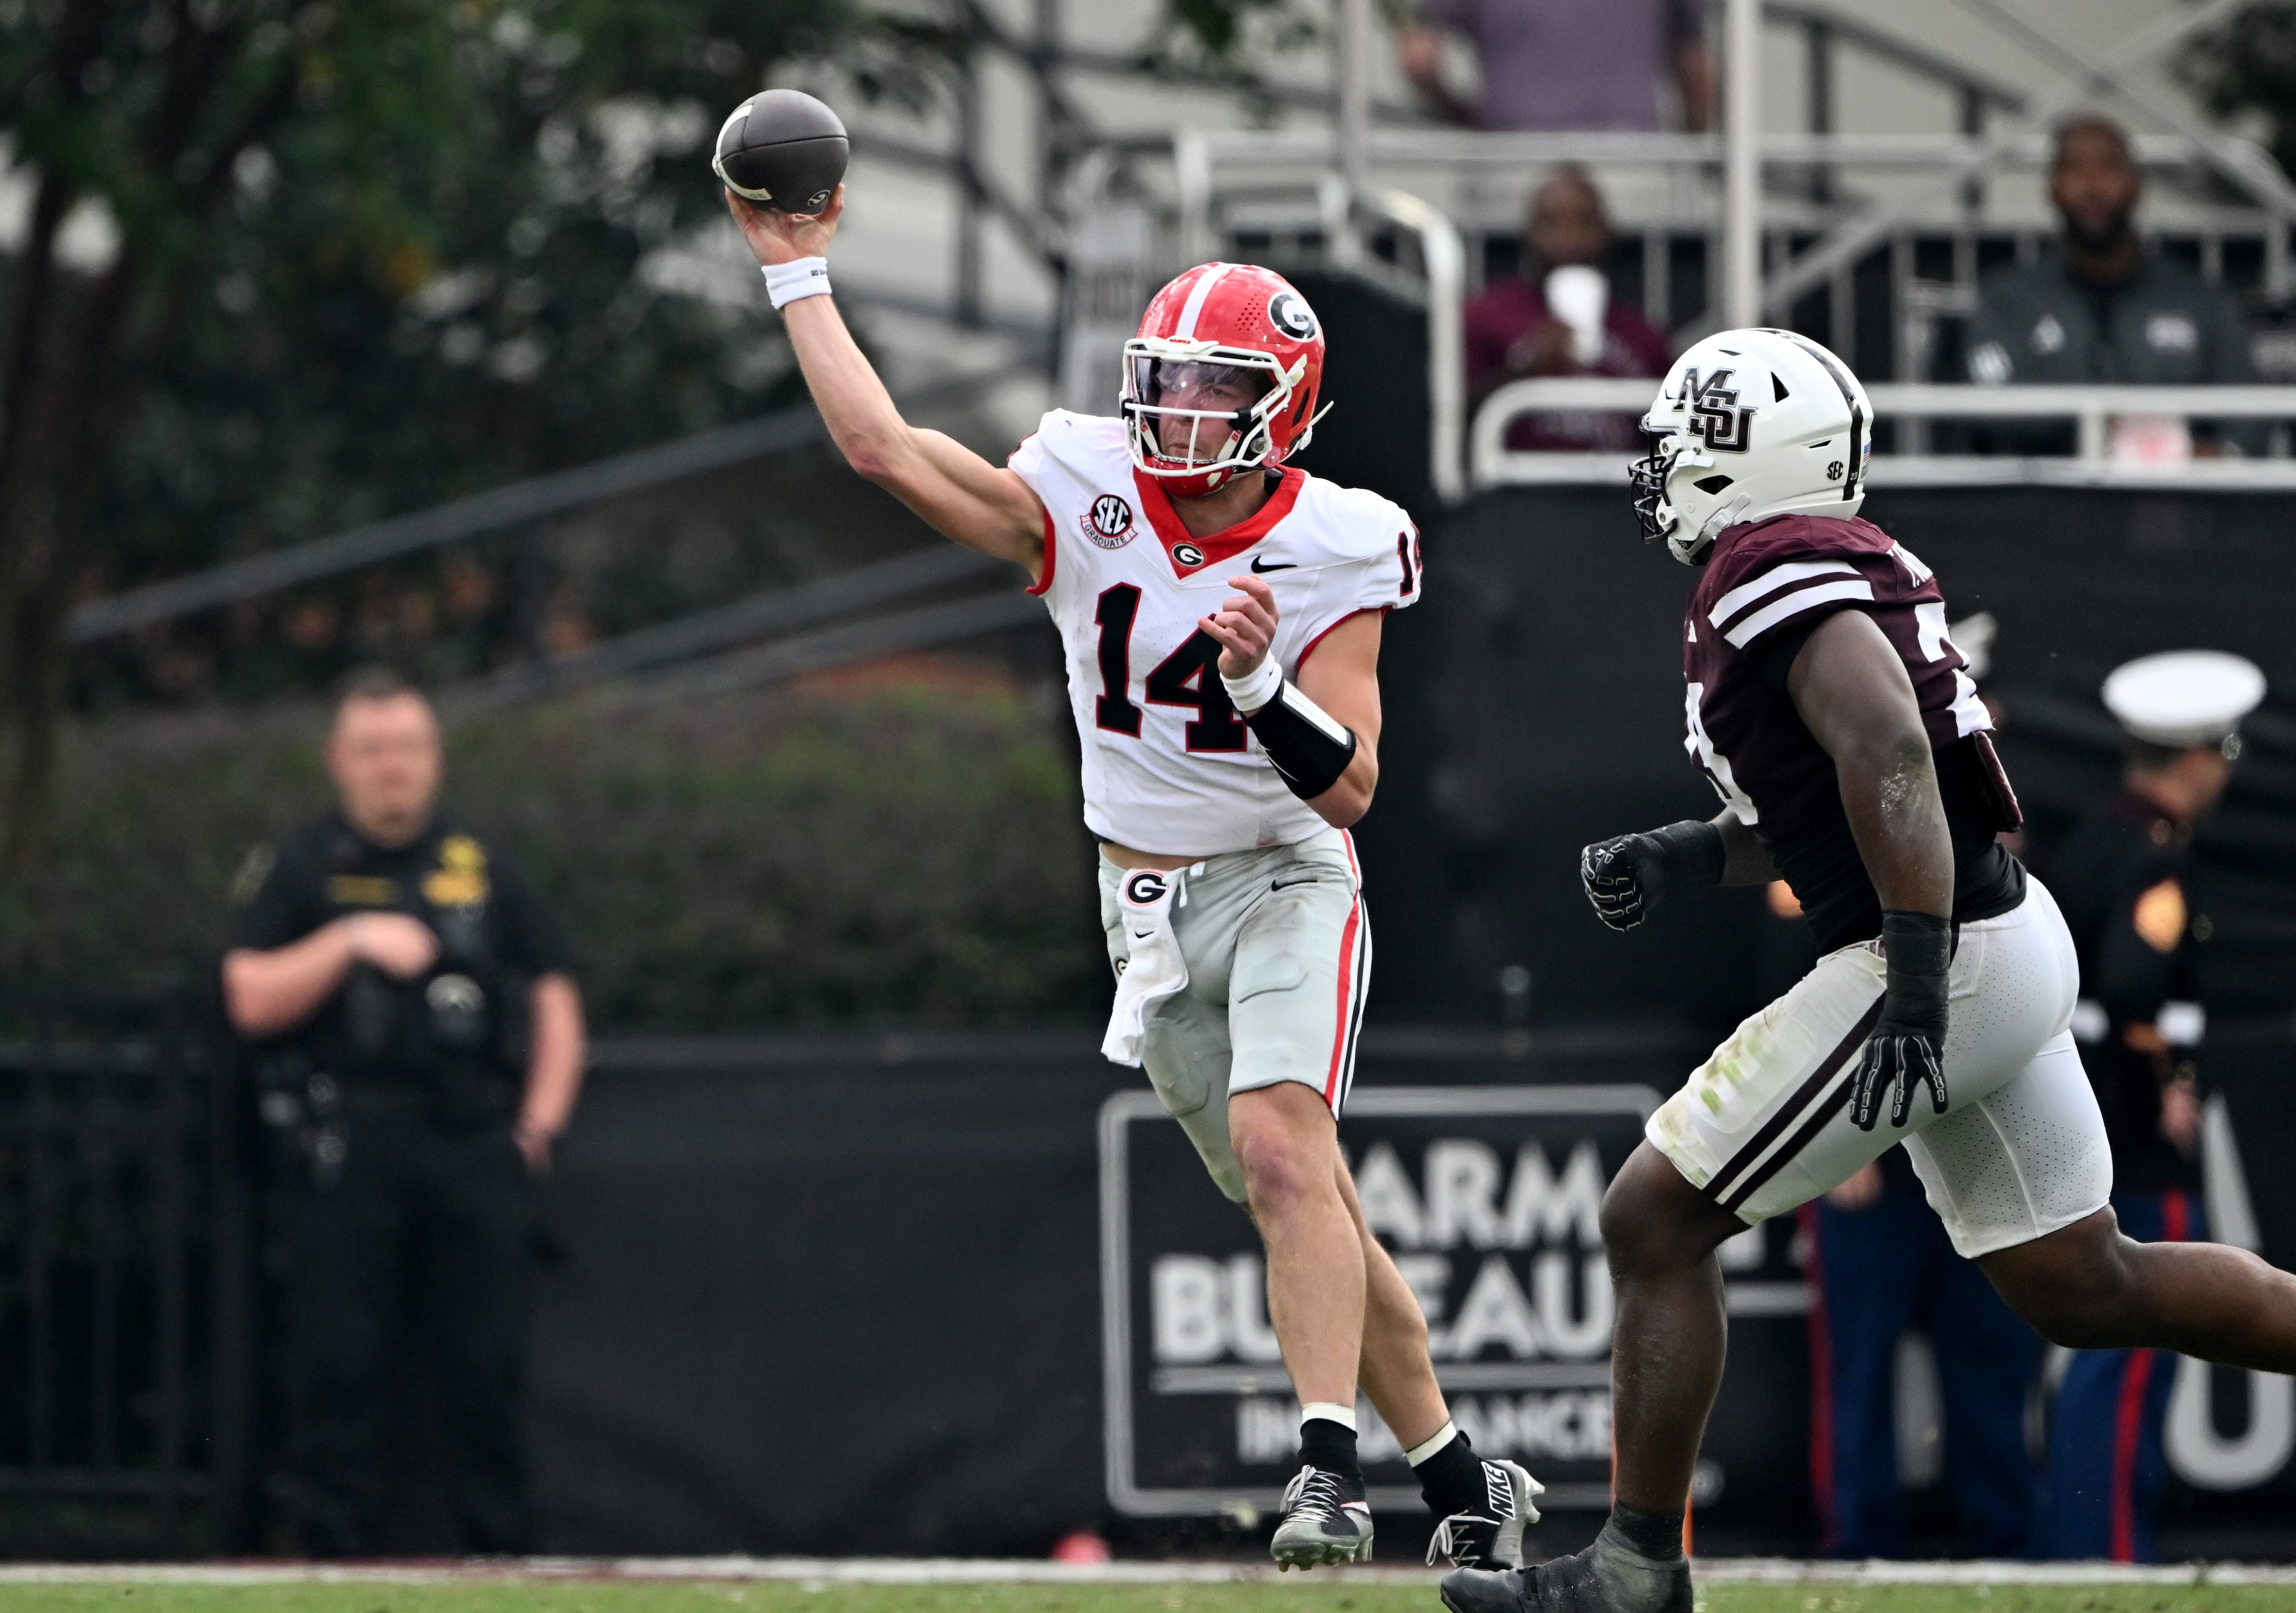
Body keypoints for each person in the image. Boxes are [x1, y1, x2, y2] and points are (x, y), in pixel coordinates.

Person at [726, 184, 1537, 1572]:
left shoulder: (1338, 537)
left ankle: (1326, 1474)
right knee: (1309, 1205)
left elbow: (1348, 787)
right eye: (1161, 383)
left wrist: (1260, 679)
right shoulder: (1081, 483)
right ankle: (1465, 1478)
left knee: (1289, 1155)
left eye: (1211, 389)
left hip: (1286, 876)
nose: (1172, 414)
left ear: (1282, 404)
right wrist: (796, 275)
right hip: (1146, 912)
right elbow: (883, 451)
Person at [1437, 330, 2296, 1613]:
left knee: (1652, 1217)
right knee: (2085, 1281)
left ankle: (1636, 1571)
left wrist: (1908, 970)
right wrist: (1691, 854)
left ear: (1748, 457)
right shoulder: (1836, 557)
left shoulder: (1765, 563)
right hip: (1998, 938)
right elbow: (1847, 792)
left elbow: (1890, 746)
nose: (1662, 463)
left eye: (1686, 438)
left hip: (1945, 953)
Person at [223, 668, 585, 1555]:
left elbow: (556, 1001)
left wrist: (534, 1127)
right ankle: (335, 1555)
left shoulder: (483, 867)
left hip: (471, 1137)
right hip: (353, 1137)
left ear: (435, 758)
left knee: (486, 1362)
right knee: (341, 1361)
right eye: (373, 749)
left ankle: (501, 1554)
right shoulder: (303, 867)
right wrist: (349, 941)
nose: (392, 767)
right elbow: (247, 995)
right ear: (339, 761)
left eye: (409, 748)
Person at [2034, 650, 2266, 1563]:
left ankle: (2076, 1544)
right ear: (2198, 757)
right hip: (2137, 1138)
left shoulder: (2091, 840)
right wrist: (2170, 1077)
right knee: (2135, 1346)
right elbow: (2134, 984)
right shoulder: (2154, 859)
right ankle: (2105, 1554)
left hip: (2086, 1131)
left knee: (2103, 1345)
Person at [1964, 116, 2258, 456]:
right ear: (2052, 189)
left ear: (2137, 186)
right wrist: (2092, 429)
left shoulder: (2202, 301)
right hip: (2044, 498)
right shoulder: (2008, 299)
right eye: (2075, 169)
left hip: (2175, 500)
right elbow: (1988, 411)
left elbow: (2247, 415)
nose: (2093, 185)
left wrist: (2218, 456)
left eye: (2109, 167)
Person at [1465, 170, 1674, 453]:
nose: (1568, 238)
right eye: (1550, 223)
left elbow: (1673, 433)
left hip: (1620, 489)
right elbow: (1453, 417)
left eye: (1584, 222)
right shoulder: (1484, 316)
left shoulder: (1643, 334)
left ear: (1606, 231)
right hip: (1515, 487)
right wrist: (1526, 369)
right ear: (1528, 233)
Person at [1398, 0, 1710, 133]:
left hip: (1512, 160)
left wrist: (1470, 120)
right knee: (1646, 270)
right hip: (1632, 162)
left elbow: (1419, 61)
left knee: (1499, 270)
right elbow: (1696, 75)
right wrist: (1691, 157)